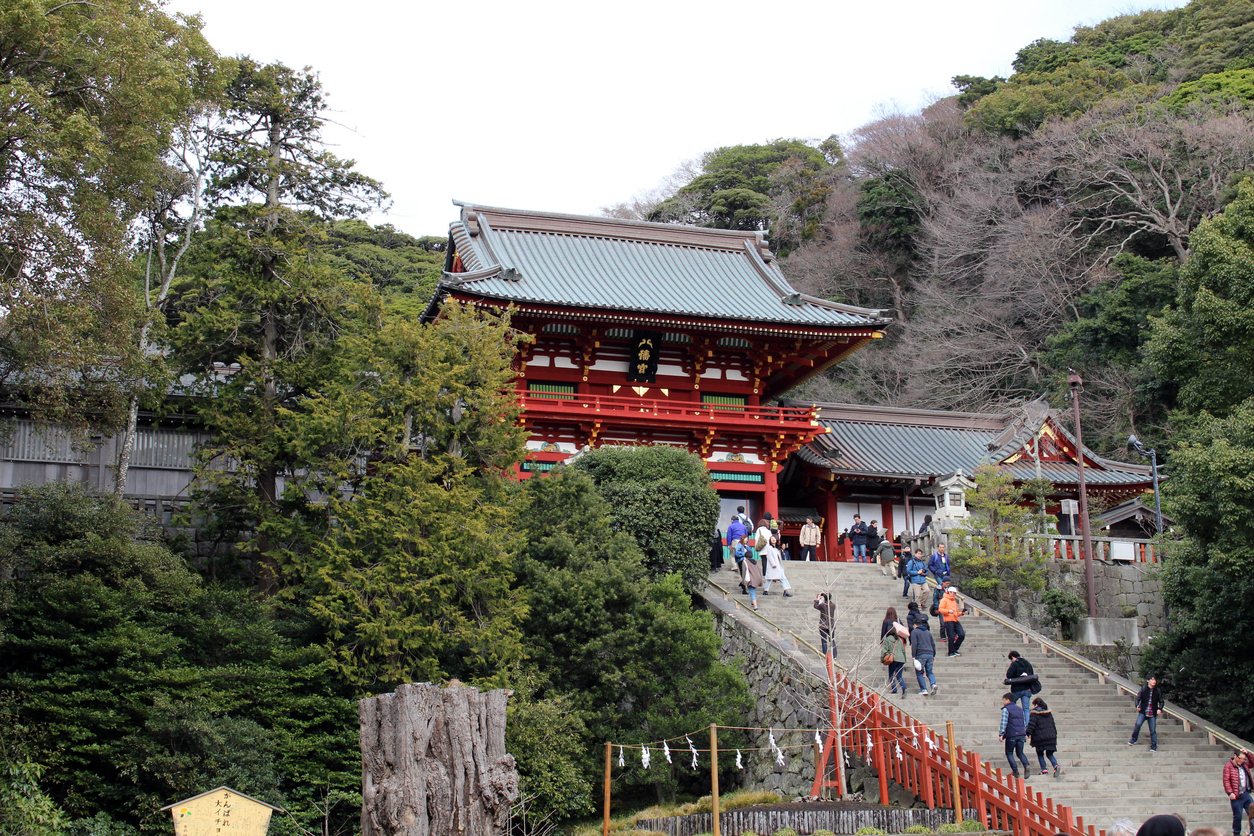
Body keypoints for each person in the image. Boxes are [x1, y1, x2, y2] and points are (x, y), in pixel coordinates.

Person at [1025, 696, 1060, 777]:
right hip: (1051, 737)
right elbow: (1053, 725)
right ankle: (1056, 766)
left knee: (1040, 753)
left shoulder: (1034, 714)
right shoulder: (1048, 713)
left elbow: (1031, 725)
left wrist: (1027, 734)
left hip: (1040, 738)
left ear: (1036, 705)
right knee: (1049, 754)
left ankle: (1044, 770)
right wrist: (1054, 735)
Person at [998, 692, 1030, 779]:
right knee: (1020, 752)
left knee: (1009, 753)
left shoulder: (1006, 709)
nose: (1003, 702)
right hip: (1021, 734)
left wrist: (1001, 734)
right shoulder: (1020, 709)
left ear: (1008, 700)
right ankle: (1026, 765)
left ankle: (1015, 771)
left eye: (1004, 700)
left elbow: (1004, 722)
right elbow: (1023, 722)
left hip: (1011, 734)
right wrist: (1025, 733)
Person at [1129, 673, 1163, 752]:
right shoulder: (1144, 689)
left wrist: (1160, 708)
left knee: (1153, 730)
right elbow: (1138, 698)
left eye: (1154, 679)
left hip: (1152, 713)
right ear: (1148, 681)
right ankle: (1134, 739)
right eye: (1152, 680)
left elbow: (1161, 701)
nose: (1154, 681)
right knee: (1138, 724)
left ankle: (1153, 746)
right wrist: (1137, 705)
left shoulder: (1157, 691)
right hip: (1143, 712)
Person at [1225, 750, 1254, 836]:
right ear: (1235, 756)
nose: (1242, 761)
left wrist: (1248, 753)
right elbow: (1226, 780)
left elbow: (1252, 762)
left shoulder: (1245, 765)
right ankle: (1236, 833)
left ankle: (1252, 830)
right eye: (1240, 759)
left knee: (1252, 811)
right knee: (1238, 816)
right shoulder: (1228, 766)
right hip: (1236, 795)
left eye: (1244, 759)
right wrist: (1230, 793)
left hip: (1245, 793)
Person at [1004, 651, 1038, 716]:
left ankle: (1013, 718)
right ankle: (1027, 724)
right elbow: (1031, 675)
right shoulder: (1027, 663)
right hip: (1027, 689)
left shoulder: (1014, 664)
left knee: (1011, 705)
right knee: (1026, 709)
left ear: (1013, 657)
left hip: (1016, 689)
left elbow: (1009, 675)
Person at [910, 615, 937, 695]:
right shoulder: (928, 632)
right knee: (930, 672)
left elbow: (914, 644)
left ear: (915, 625)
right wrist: (934, 655)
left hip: (921, 654)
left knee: (919, 672)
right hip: (930, 654)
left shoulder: (914, 632)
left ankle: (924, 689)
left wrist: (913, 656)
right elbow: (933, 644)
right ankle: (933, 684)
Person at [881, 621, 908, 696]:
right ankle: (904, 688)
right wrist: (904, 660)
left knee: (891, 675)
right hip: (901, 659)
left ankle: (894, 688)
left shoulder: (888, 639)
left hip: (893, 659)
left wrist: (882, 659)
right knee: (899, 676)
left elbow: (884, 650)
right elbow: (903, 650)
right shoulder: (899, 639)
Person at [938, 585, 966, 656]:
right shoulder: (944, 600)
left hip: (955, 620)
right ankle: (951, 652)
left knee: (962, 634)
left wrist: (962, 613)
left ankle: (954, 649)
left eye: (955, 593)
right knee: (951, 637)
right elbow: (940, 609)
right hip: (948, 620)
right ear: (949, 592)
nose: (954, 594)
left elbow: (956, 612)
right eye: (953, 593)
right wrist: (948, 611)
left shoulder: (954, 601)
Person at [740, 537, 763, 612]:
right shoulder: (755, 562)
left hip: (751, 579)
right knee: (752, 591)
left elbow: (744, 572)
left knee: (752, 592)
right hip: (757, 578)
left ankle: (755, 607)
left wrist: (743, 581)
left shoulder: (745, 561)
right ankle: (752, 603)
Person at [814, 592, 836, 657]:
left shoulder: (823, 605)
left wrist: (818, 599)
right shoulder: (833, 605)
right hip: (831, 624)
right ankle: (834, 655)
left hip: (823, 624)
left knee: (824, 641)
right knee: (832, 640)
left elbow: (815, 606)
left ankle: (825, 655)